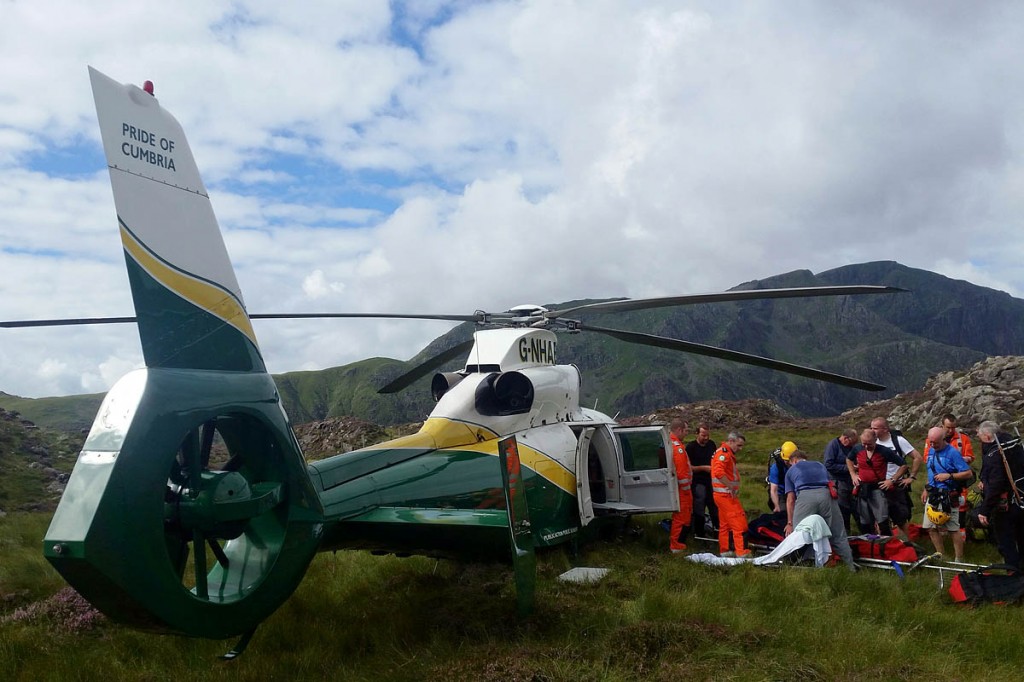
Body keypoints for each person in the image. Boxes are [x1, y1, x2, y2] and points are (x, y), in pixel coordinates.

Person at [784, 450, 857, 571]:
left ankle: (792, 566)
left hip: (806, 497)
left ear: (794, 461)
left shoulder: (791, 470)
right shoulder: (819, 465)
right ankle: (850, 568)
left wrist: (790, 523)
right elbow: (831, 484)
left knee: (799, 533)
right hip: (826, 496)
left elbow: (790, 499)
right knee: (839, 535)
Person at [975, 421, 1024, 570]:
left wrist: (984, 510)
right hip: (1020, 497)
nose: (979, 439)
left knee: (1005, 538)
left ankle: (1013, 570)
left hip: (1005, 504)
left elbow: (996, 485)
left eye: (981, 437)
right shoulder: (1014, 444)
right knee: (1021, 534)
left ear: (988, 436)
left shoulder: (995, 453)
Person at [921, 425, 972, 562]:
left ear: (943, 439)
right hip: (933, 494)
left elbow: (968, 473)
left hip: (948, 495)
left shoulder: (953, 453)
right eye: (930, 442)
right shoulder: (931, 451)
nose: (932, 445)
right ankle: (941, 555)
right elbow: (930, 471)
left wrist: (949, 476)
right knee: (930, 527)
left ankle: (959, 559)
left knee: (953, 529)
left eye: (935, 442)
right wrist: (926, 489)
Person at [847, 428, 907, 536]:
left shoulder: (884, 451)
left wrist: (892, 480)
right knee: (864, 521)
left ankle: (886, 545)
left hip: (877, 488)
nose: (866, 447)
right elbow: (849, 459)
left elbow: (903, 465)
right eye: (863, 444)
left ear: (875, 440)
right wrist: (853, 474)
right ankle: (869, 544)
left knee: (882, 520)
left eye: (869, 444)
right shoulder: (857, 449)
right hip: (863, 489)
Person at [871, 417, 921, 536]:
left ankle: (906, 546)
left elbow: (917, 457)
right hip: (878, 485)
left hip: (896, 486)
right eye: (871, 428)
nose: (872, 431)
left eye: (875, 428)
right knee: (880, 519)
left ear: (885, 429)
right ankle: (884, 546)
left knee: (900, 519)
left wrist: (911, 477)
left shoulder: (898, 441)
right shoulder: (872, 442)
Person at [924, 413, 976, 522]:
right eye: (948, 427)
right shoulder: (932, 440)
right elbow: (927, 460)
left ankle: (962, 532)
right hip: (937, 483)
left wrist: (959, 460)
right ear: (942, 426)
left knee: (960, 509)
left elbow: (971, 456)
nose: (951, 430)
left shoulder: (963, 439)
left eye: (953, 427)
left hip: (957, 480)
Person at [711, 431, 750, 558]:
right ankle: (741, 552)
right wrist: (731, 486)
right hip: (725, 495)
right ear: (731, 441)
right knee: (739, 523)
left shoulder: (723, 453)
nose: (740, 449)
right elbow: (718, 472)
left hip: (721, 495)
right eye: (739, 445)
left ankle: (725, 550)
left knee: (725, 524)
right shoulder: (724, 454)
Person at [823, 429, 858, 532]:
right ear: (845, 438)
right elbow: (828, 465)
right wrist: (849, 467)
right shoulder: (832, 446)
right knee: (843, 510)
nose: (852, 446)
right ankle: (845, 533)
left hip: (851, 481)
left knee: (856, 508)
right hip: (838, 482)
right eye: (851, 443)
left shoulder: (851, 447)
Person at [687, 424, 719, 536]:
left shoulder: (711, 445)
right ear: (697, 434)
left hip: (711, 482)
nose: (706, 438)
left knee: (714, 506)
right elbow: (688, 468)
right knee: (699, 506)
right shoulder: (691, 447)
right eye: (703, 435)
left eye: (707, 435)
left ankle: (718, 531)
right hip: (698, 482)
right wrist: (704, 468)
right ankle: (699, 533)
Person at [668, 419, 693, 553]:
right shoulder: (677, 448)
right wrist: (686, 489)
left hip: (682, 490)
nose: (687, 433)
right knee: (681, 518)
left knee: (684, 517)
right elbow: (682, 472)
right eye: (686, 430)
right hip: (683, 491)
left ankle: (679, 544)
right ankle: (676, 545)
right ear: (679, 430)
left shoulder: (673, 444)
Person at [767, 441, 797, 515]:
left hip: (796, 491)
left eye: (791, 460)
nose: (790, 463)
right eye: (787, 461)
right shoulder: (776, 468)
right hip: (781, 493)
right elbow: (773, 490)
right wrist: (777, 506)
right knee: (784, 513)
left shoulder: (800, 464)